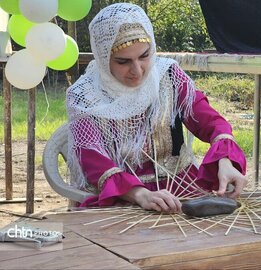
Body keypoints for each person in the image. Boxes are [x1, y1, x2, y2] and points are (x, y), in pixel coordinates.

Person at [66, 3, 247, 213]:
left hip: (180, 189)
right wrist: (140, 194)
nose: (138, 70)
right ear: (102, 57)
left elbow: (211, 121)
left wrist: (225, 160)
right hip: (120, 196)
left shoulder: (167, 76)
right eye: (123, 61)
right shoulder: (84, 95)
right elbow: (92, 160)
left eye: (144, 56)